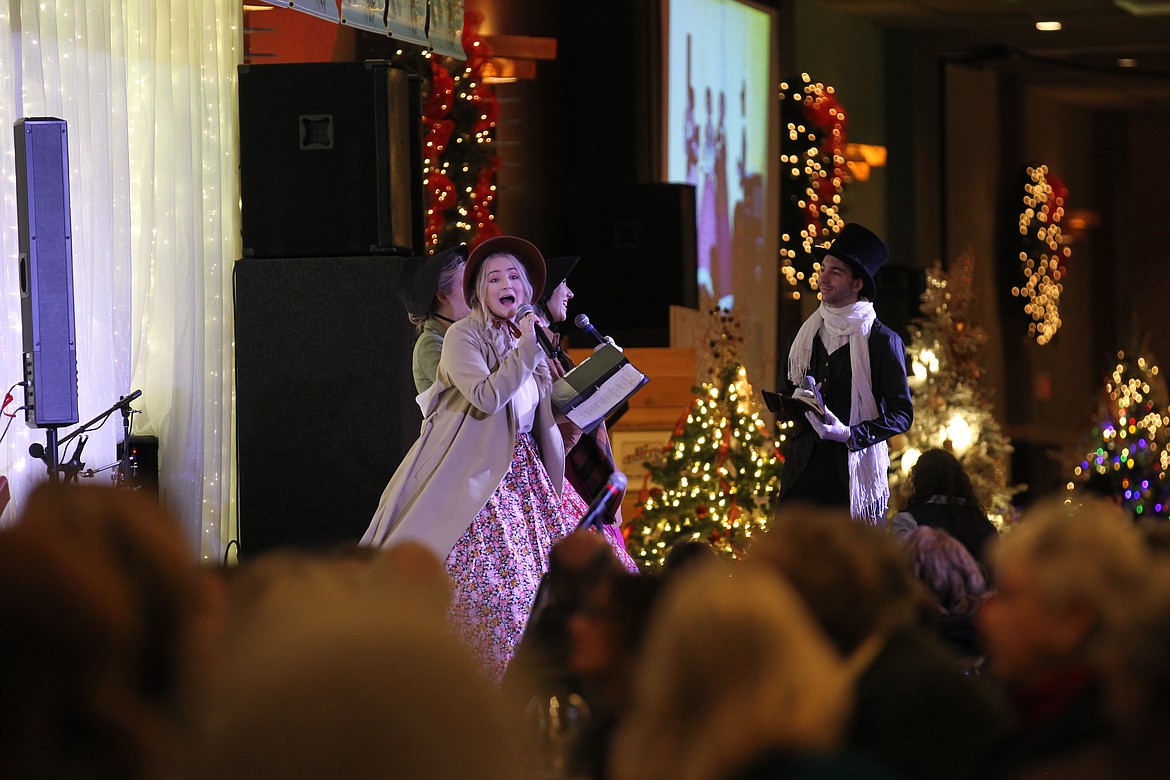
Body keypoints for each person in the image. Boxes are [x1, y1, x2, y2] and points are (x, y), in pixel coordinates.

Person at [361, 235, 577, 683]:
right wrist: (527, 349)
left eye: (514, 276)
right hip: (475, 481)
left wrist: (555, 486)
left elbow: (541, 421)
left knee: (544, 594)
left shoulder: (524, 339)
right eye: (493, 277)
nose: (506, 283)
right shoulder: (462, 336)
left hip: (524, 483)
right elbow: (486, 396)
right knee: (496, 597)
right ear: (477, 291)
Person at [976, 495, 1150, 779]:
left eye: (1008, 597)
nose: (985, 614)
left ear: (1072, 620)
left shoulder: (1091, 756)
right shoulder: (1035, 717)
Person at [774, 223, 912, 524]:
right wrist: (793, 401)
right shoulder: (803, 334)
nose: (822, 278)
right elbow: (786, 388)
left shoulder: (882, 341)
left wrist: (851, 434)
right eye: (823, 268)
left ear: (857, 283)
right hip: (803, 472)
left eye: (835, 271)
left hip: (851, 476)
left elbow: (903, 413)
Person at [535, 254, 639, 573]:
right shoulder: (529, 344)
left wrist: (605, 369)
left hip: (573, 466)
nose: (570, 293)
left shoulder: (548, 343)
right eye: (563, 284)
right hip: (560, 469)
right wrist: (600, 372)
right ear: (544, 290)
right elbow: (556, 405)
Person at [891, 448, 999, 571]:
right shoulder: (985, 525)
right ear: (960, 479)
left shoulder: (906, 521)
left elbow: (899, 572)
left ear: (918, 481)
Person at [390, 243, 471, 393]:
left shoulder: (465, 333)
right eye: (465, 285)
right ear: (442, 296)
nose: (475, 291)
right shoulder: (430, 344)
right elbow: (474, 393)